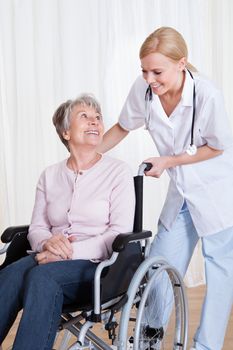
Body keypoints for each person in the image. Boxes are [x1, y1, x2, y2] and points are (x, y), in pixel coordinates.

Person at [99, 27, 233, 350]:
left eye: (157, 71)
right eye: (144, 70)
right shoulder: (145, 91)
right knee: (157, 265)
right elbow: (122, 127)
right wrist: (88, 154)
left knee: (219, 276)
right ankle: (148, 340)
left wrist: (168, 162)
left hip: (217, 194)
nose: (150, 78)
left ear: (181, 64)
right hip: (182, 195)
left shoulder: (207, 95)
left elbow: (218, 147)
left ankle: (206, 346)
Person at [0, 94, 135, 350]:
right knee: (9, 276)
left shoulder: (118, 172)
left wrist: (69, 252)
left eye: (98, 117)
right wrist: (48, 243)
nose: (94, 121)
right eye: (84, 116)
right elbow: (37, 227)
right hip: (49, 255)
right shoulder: (50, 175)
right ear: (65, 132)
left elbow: (118, 233)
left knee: (42, 278)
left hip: (98, 266)